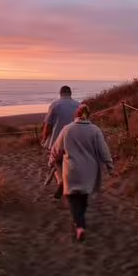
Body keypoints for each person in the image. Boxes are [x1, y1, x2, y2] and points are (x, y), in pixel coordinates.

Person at [49, 104, 114, 242]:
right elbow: (104, 151)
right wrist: (110, 167)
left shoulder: (67, 129)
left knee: (72, 198)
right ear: (88, 115)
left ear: (76, 115)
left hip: (71, 171)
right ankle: (80, 221)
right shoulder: (95, 130)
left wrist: (51, 162)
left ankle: (79, 227)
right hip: (89, 171)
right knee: (83, 197)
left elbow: (56, 149)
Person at [41, 85, 80, 199]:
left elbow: (48, 125)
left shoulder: (55, 105)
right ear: (70, 93)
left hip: (57, 140)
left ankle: (61, 181)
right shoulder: (78, 105)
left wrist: (44, 138)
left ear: (60, 93)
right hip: (74, 139)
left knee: (55, 162)